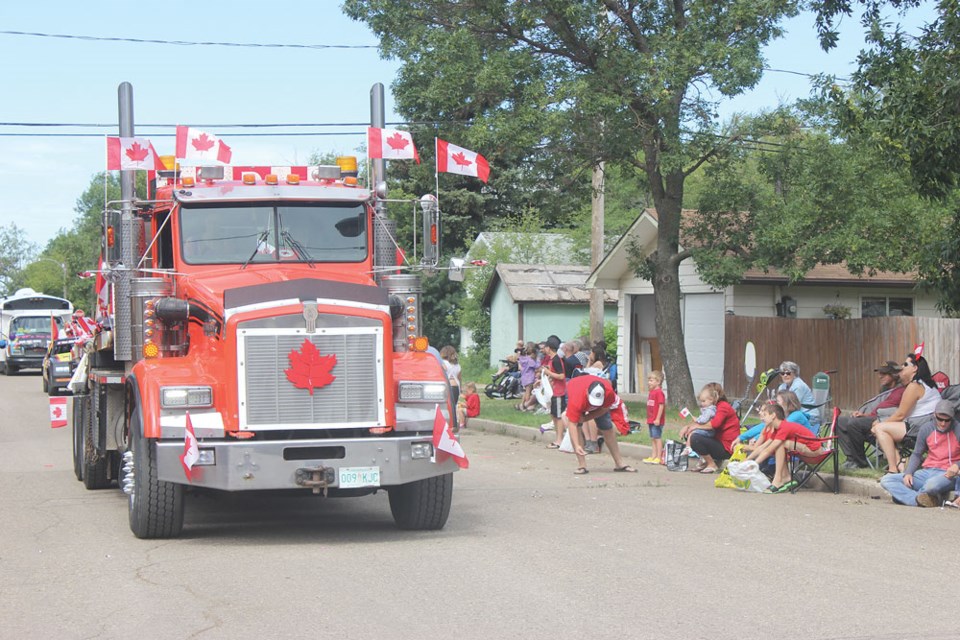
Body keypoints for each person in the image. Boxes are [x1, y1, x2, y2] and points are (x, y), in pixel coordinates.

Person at [879, 400, 959, 507]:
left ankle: (908, 497)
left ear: (952, 418)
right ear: (934, 415)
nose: (943, 423)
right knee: (887, 480)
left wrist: (957, 465)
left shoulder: (958, 429)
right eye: (940, 419)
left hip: (947, 474)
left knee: (931, 486)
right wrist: (908, 473)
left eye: (947, 420)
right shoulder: (926, 428)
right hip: (926, 472)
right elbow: (917, 454)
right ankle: (918, 499)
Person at [872, 352, 942, 473]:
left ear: (915, 368)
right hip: (927, 423)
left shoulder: (915, 386)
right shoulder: (926, 383)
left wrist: (880, 425)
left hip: (921, 427)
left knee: (879, 429)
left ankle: (893, 468)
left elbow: (900, 414)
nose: (902, 367)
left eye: (905, 364)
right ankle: (899, 463)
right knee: (879, 426)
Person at [837, 361, 906, 470]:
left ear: (894, 375)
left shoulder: (903, 390)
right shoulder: (884, 391)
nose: (880, 376)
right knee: (839, 421)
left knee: (854, 424)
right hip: (873, 418)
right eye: (879, 373)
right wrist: (863, 415)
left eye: (884, 374)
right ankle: (851, 458)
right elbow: (877, 411)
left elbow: (899, 412)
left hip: (885, 421)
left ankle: (860, 462)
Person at [563, 374, 637, 475]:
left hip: (600, 406)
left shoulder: (608, 392)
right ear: (587, 393)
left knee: (607, 428)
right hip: (578, 395)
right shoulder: (576, 398)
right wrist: (576, 445)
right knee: (578, 426)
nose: (593, 405)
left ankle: (619, 463)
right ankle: (582, 465)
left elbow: (605, 408)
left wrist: (586, 418)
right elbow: (572, 425)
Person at [745, 403, 823, 493]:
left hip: (815, 451)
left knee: (779, 444)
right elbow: (764, 448)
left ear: (773, 416)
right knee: (778, 445)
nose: (762, 417)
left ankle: (778, 480)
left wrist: (754, 464)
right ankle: (785, 477)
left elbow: (769, 449)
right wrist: (748, 461)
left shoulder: (784, 427)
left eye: (765, 415)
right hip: (804, 450)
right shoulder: (776, 429)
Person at [678, 383, 741, 474]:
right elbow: (703, 421)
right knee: (691, 434)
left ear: (713, 398)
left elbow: (714, 424)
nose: (702, 403)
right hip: (717, 441)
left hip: (726, 447)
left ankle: (711, 464)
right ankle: (705, 461)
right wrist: (688, 427)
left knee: (695, 438)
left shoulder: (723, 407)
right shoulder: (712, 407)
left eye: (705, 400)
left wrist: (695, 427)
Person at [542, 336, 569, 449]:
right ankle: (558, 438)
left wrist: (548, 372)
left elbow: (562, 375)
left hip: (558, 392)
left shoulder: (557, 360)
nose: (544, 350)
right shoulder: (552, 360)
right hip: (553, 392)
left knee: (558, 417)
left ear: (549, 348)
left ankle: (559, 440)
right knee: (553, 415)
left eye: (545, 347)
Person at [777, 361, 819, 428]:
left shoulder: (798, 386)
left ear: (795, 374)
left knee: (779, 426)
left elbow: (792, 407)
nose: (785, 375)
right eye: (782, 373)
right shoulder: (782, 387)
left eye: (788, 373)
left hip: (809, 416)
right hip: (792, 415)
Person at [644, 371, 666, 464]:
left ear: (658, 381)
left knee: (657, 437)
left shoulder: (659, 393)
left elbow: (661, 406)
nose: (649, 382)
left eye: (651, 380)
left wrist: (657, 418)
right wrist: (648, 418)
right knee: (653, 437)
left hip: (657, 420)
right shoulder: (651, 392)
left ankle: (658, 456)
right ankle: (653, 455)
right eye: (649, 380)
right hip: (651, 419)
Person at [516, 342, 539, 411]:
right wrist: (538, 360)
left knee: (526, 392)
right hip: (529, 378)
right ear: (532, 353)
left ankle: (522, 404)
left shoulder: (523, 359)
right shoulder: (530, 360)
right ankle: (527, 404)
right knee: (528, 392)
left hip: (524, 377)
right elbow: (536, 366)